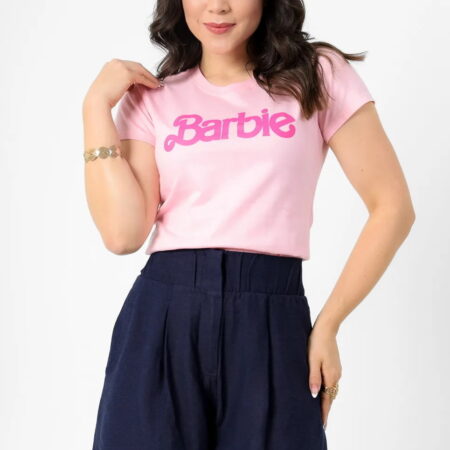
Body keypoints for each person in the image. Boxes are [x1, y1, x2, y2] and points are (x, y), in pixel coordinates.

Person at [82, 1, 415, 449]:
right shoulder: (152, 97)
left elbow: (393, 206)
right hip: (162, 318)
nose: (218, 6)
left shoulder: (318, 74)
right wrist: (95, 108)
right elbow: (123, 235)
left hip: (273, 319)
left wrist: (329, 325)